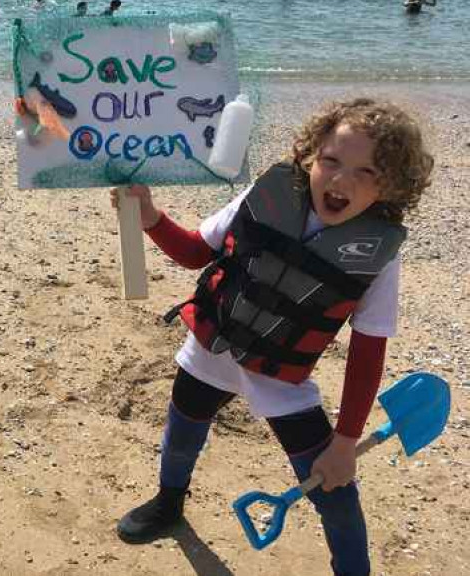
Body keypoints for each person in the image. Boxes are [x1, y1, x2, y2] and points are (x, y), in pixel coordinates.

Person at [110, 98, 434, 576]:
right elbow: (194, 253)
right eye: (331, 161)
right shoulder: (266, 196)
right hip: (213, 348)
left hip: (282, 377)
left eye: (366, 172)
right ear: (308, 156)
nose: (341, 180)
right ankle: (168, 502)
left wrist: (346, 443)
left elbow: (368, 352)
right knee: (182, 428)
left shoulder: (378, 254)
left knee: (333, 489)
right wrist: (152, 219)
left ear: (390, 185)